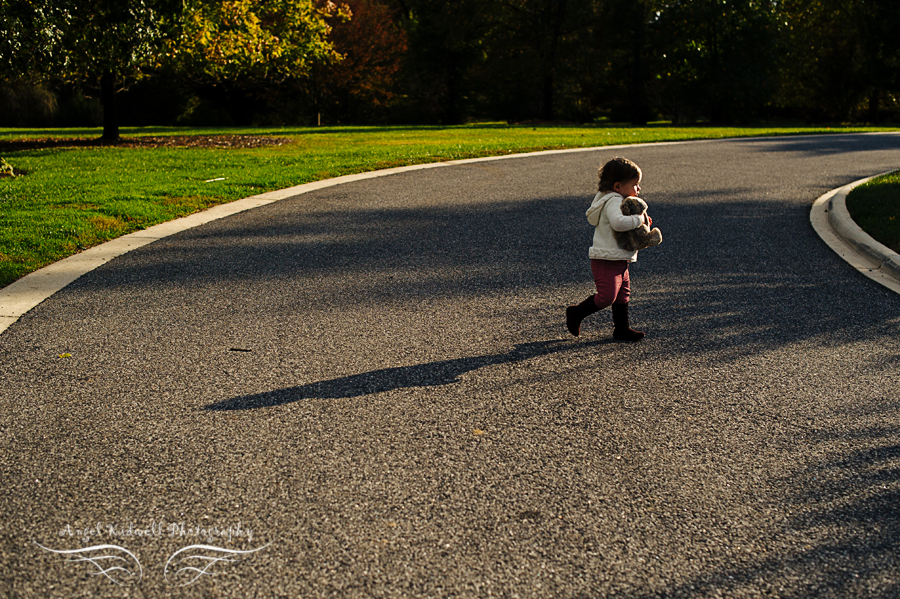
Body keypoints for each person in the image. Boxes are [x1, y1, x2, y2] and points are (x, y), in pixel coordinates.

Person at [566, 156, 652, 341]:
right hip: (606, 258)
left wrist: (640, 223)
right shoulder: (613, 201)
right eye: (635, 184)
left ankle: (622, 328)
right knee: (607, 296)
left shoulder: (614, 198)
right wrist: (640, 220)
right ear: (618, 186)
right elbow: (618, 223)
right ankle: (576, 313)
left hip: (618, 257)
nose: (638, 189)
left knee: (623, 294)